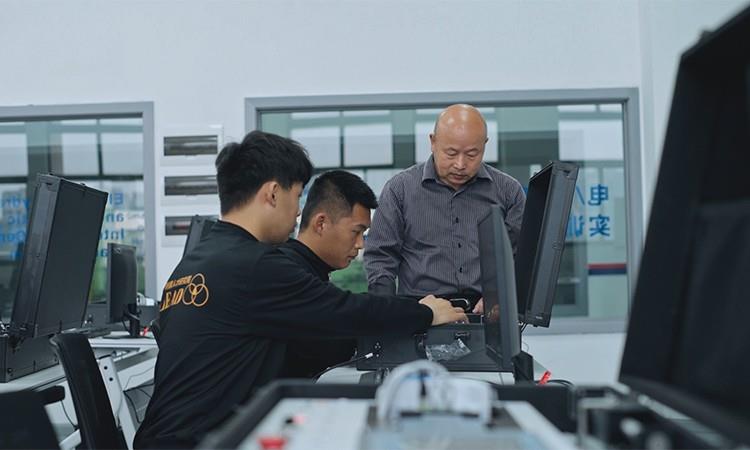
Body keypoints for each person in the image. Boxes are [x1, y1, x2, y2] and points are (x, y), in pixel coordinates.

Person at [133, 131, 465, 449]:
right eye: (296, 196)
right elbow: (346, 311)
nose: (296, 212)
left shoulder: (194, 261)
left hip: (166, 438)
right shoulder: (256, 265)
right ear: (273, 194)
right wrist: (425, 312)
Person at [364, 104, 526, 313]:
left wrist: (501, 295)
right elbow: (380, 256)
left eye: (472, 154)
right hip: (420, 313)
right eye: (451, 153)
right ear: (433, 142)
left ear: (485, 145)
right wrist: (386, 312)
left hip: (486, 312)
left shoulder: (508, 191)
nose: (460, 164)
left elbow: (522, 258)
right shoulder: (400, 189)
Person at [279, 170, 377, 378]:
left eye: (363, 234)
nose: (360, 244)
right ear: (321, 223)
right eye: (356, 232)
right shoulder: (288, 272)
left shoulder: (310, 270)